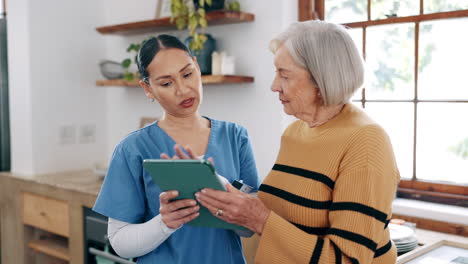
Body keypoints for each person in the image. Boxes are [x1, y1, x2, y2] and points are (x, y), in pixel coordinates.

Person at [193, 21, 400, 263]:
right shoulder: (296, 131)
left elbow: (348, 260)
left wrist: (259, 218)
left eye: (285, 75)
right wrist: (225, 193)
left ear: (322, 80)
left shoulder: (366, 142)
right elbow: (286, 210)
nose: (273, 86)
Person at [93, 34, 259, 264]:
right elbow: (120, 242)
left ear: (198, 68)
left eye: (187, 74)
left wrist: (225, 196)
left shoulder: (235, 137)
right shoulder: (133, 148)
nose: (183, 90)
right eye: (166, 83)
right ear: (148, 88)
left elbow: (251, 228)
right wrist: (165, 223)